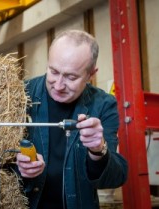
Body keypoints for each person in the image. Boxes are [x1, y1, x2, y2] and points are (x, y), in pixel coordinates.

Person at [15, 30, 128, 209]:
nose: (58, 86)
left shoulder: (104, 105)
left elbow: (115, 178)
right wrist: (18, 166)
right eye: (53, 71)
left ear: (91, 74)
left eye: (71, 77)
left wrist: (99, 151)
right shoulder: (19, 94)